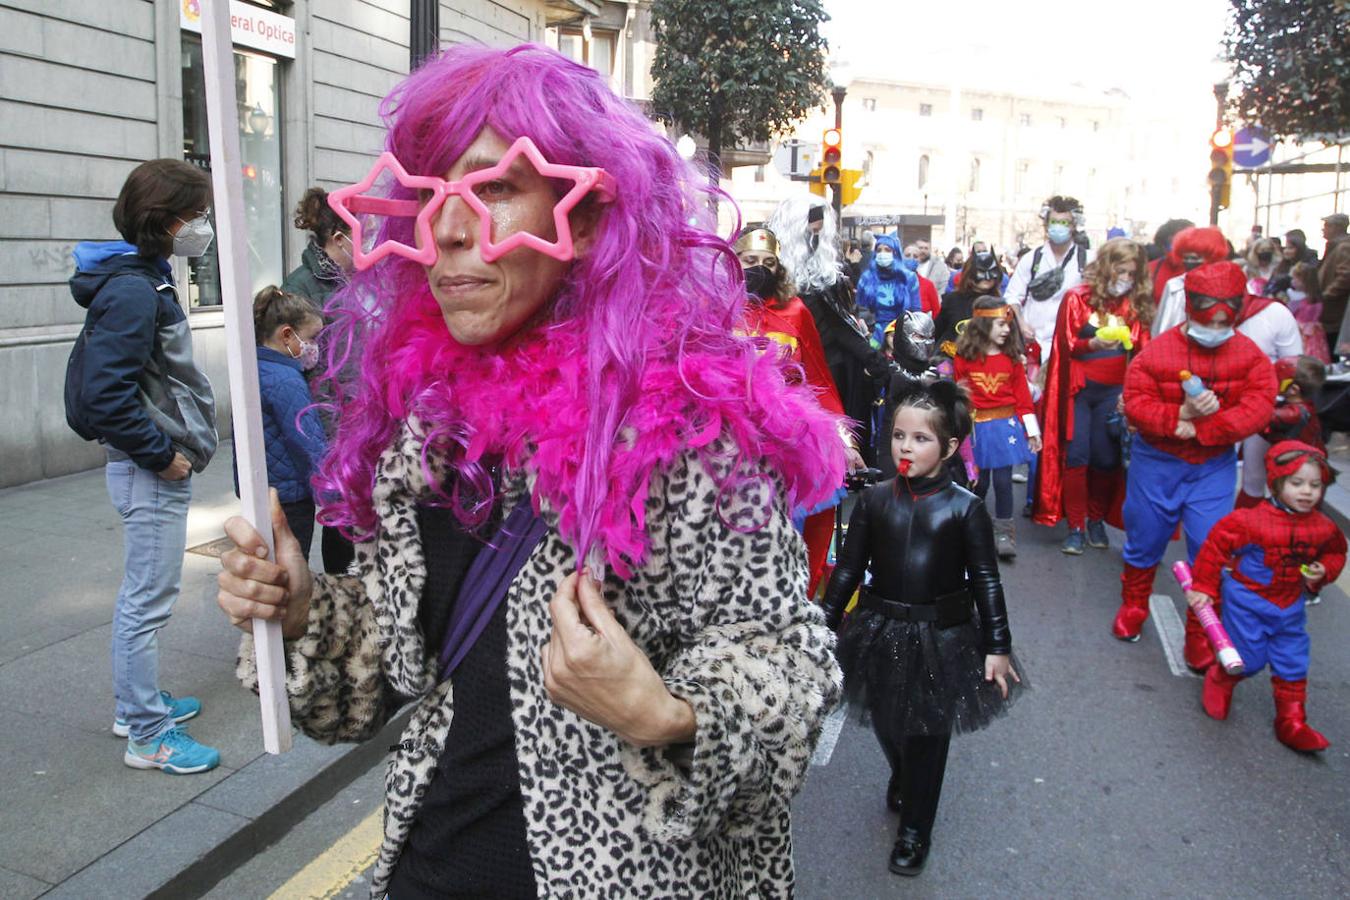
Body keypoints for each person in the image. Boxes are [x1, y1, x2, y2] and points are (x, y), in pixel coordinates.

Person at [215, 44, 843, 899]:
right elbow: (399, 661)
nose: (449, 228)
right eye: (431, 195)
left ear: (583, 220)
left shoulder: (690, 426)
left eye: (494, 186)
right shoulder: (425, 419)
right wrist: (297, 611)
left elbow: (792, 665)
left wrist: (667, 714)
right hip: (433, 868)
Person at [822, 379, 1021, 877]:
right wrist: (822, 628)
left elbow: (986, 581)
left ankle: (916, 829)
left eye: (921, 439)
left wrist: (997, 645)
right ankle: (905, 774)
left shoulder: (964, 508)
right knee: (889, 721)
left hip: (942, 635)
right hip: (878, 626)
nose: (905, 448)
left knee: (928, 733)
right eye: (898, 436)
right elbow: (847, 570)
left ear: (950, 447)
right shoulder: (874, 502)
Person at [63, 159, 220, 774]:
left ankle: (141, 704)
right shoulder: (133, 290)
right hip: (149, 469)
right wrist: (165, 458)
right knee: (148, 601)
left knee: (148, 594)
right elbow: (108, 394)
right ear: (166, 220)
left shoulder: (143, 278)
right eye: (197, 214)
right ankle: (147, 734)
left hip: (149, 466)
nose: (203, 225)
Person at [1110, 262, 1277, 671]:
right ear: (1192, 307)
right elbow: (1136, 400)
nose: (1217, 326)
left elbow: (1259, 405)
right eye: (1210, 317)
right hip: (1157, 462)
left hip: (1212, 464)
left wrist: (1202, 428)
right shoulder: (1158, 351)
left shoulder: (1250, 356)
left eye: (1226, 319)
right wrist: (1176, 416)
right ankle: (1134, 603)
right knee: (1145, 539)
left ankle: (1200, 630)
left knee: (1210, 546)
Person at [1186, 441, 1346, 752]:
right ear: (1276, 483)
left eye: (1315, 485)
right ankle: (1221, 678)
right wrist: (1204, 586)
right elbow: (1216, 546)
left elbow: (1337, 552)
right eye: (1296, 483)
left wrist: (1323, 570)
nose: (1307, 492)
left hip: (1289, 606)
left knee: (1293, 661)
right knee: (1249, 659)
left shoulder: (1324, 527)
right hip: (1247, 602)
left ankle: (1292, 720)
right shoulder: (1249, 520)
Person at [735, 224, 861, 597]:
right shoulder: (715, 309)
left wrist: (844, 440)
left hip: (787, 443)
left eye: (769, 262)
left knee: (789, 531)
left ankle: (788, 599)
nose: (760, 268)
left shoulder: (796, 312)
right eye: (750, 260)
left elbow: (818, 380)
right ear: (733, 262)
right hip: (732, 444)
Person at [1034, 238, 1152, 554]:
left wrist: (1133, 394)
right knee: (1077, 456)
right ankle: (1075, 525)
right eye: (1120, 270)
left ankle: (1096, 518)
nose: (1125, 278)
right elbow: (1064, 344)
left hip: (1114, 391)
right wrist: (1092, 345)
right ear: (1106, 267)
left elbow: (1143, 352)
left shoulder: (1135, 303)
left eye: (1131, 272)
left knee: (1106, 458)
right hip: (1079, 388)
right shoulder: (1078, 298)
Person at [770, 195, 893, 466]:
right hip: (782, 374)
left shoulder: (826, 278)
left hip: (825, 375)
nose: (814, 240)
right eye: (810, 232)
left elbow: (841, 329)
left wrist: (877, 362)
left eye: (818, 234)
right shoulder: (769, 275)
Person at [281, 187, 357, 575]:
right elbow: (286, 356)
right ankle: (337, 590)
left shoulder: (360, 277)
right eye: (364, 231)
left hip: (362, 412)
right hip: (326, 416)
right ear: (338, 237)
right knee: (337, 515)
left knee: (356, 514)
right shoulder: (300, 287)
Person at [953, 297, 1041, 559]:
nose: (1006, 330)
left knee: (1003, 482)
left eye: (1008, 325)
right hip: (976, 429)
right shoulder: (964, 358)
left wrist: (1033, 432)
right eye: (1001, 324)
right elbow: (959, 396)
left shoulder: (1012, 359)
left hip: (1005, 429)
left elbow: (1023, 399)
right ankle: (973, 529)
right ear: (983, 324)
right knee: (977, 483)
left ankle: (1004, 532)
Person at [249, 286, 328, 557]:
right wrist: (334, 497)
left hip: (264, 490)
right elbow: (308, 441)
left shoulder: (254, 369)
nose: (314, 347)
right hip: (291, 497)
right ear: (286, 335)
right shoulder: (286, 380)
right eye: (312, 337)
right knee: (291, 566)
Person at [1232, 274, 1305, 509]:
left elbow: (1294, 363)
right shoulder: (1198, 314)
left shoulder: (1274, 313)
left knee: (1255, 478)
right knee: (1210, 475)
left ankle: (1247, 537)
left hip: (1265, 407)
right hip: (1216, 405)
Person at [1006, 196, 1094, 360]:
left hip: (1072, 345)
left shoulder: (1088, 260)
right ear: (1046, 225)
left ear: (1074, 225)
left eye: (1064, 222)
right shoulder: (1032, 259)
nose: (1057, 227)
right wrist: (1022, 325)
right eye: (1054, 222)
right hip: (1033, 344)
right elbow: (1012, 296)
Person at [281, 186, 353, 308]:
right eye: (367, 235)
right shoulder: (296, 289)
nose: (374, 243)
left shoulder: (365, 277)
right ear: (339, 239)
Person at [1151, 226, 1230, 336]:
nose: (1189, 262)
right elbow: (1161, 326)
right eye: (1186, 258)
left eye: (1195, 258)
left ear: (1211, 257)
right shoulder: (1174, 285)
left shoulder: (1225, 287)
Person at [857, 233, 925, 344]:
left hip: (902, 337)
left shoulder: (909, 278)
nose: (882, 254)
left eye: (887, 250)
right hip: (874, 336)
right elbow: (860, 311)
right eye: (879, 250)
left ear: (895, 253)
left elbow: (916, 312)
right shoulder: (867, 278)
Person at [935, 249, 1003, 356]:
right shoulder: (953, 299)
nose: (987, 277)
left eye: (992, 271)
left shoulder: (999, 303)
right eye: (981, 272)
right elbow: (938, 330)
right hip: (953, 358)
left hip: (986, 361)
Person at [1261, 356, 1326, 453]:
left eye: (1277, 378)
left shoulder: (1294, 413)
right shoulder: (1304, 405)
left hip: (1301, 462)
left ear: (1293, 390)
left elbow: (1258, 417)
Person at [1283, 262, 1331, 362]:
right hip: (1311, 331)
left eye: (1296, 278)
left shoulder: (1297, 298)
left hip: (1303, 331)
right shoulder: (1313, 298)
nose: (1293, 281)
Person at [1318, 212, 1350, 348]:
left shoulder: (1344, 247)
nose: (1323, 229)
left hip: (1335, 310)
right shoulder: (1335, 246)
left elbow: (1345, 277)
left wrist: (1326, 295)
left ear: (1337, 227)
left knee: (1332, 344)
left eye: (1327, 225)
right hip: (1330, 309)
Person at [1147, 219, 1194, 302]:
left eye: (1182, 243)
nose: (1177, 249)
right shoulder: (1150, 269)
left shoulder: (1204, 271)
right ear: (1162, 247)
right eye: (1171, 243)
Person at [903, 242, 944, 317]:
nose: (911, 258)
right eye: (907, 255)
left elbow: (936, 312)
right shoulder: (894, 282)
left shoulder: (928, 285)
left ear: (919, 260)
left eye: (915, 256)